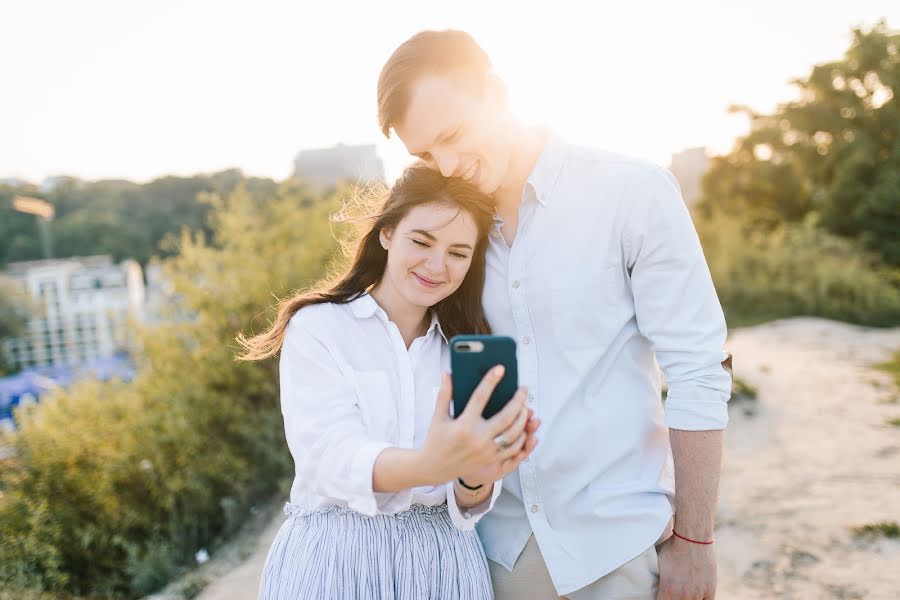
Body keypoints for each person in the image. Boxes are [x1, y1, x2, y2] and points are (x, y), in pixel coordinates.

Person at [377, 30, 734, 600]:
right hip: (495, 552)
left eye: (452, 135)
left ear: (496, 94)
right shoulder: (447, 233)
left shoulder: (632, 192)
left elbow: (698, 370)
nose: (446, 165)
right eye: (425, 155)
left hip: (618, 551)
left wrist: (695, 542)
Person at [237, 162, 540, 599]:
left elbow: (468, 501)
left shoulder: (467, 349)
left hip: (444, 562)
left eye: (458, 252)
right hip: (335, 560)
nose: (437, 265)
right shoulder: (320, 327)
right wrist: (427, 466)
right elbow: (328, 456)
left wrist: (477, 475)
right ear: (386, 234)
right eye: (421, 241)